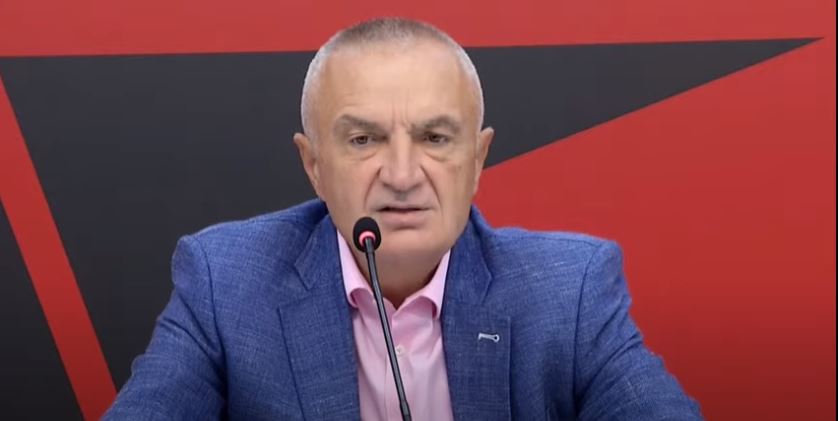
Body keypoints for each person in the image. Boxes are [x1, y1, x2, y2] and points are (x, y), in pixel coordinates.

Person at [104, 17, 702, 420]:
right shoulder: (226, 283)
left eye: (435, 138)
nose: (402, 173)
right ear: (314, 166)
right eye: (363, 140)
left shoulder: (569, 293)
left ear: (477, 160)